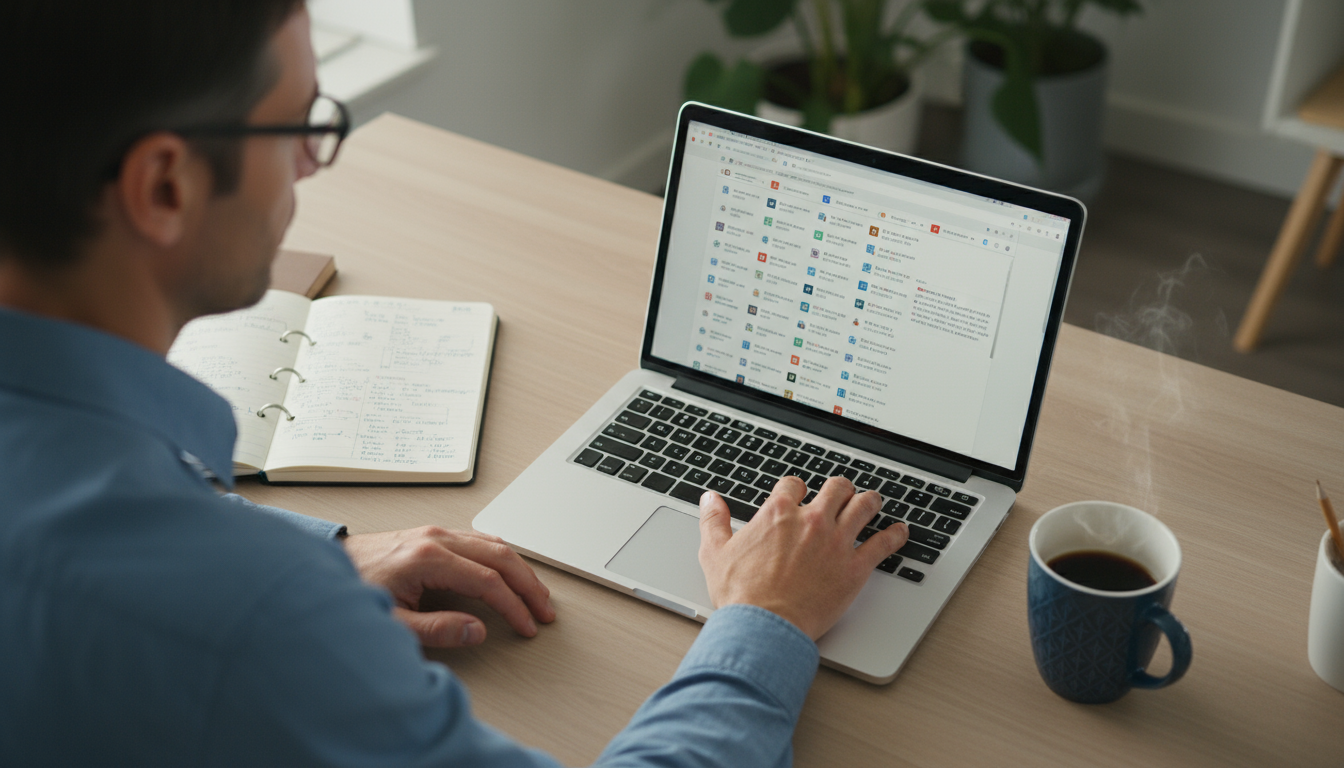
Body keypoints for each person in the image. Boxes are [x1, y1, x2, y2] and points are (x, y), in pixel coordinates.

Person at [0, 1, 910, 765]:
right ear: (164, 186)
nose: (315, 163)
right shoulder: (254, 625)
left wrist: (323, 552)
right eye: (301, 126)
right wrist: (767, 617)